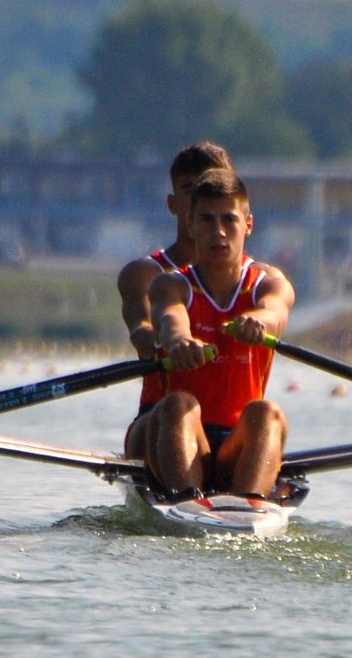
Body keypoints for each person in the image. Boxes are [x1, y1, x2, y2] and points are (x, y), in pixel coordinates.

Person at [139, 168, 295, 500]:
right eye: (207, 220)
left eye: (229, 220)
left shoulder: (268, 284)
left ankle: (248, 505)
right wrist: (179, 340)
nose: (218, 232)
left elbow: (276, 313)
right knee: (178, 404)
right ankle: (187, 502)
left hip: (237, 446)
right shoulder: (171, 284)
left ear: (248, 225)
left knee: (267, 413)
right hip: (177, 433)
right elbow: (170, 317)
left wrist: (259, 322)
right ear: (191, 227)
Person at [118, 141, 234, 457]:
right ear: (173, 203)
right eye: (191, 190)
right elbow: (142, 330)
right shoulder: (143, 273)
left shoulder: (254, 280)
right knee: (176, 410)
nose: (203, 197)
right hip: (160, 423)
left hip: (228, 429)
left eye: (213, 187)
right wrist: (172, 341)